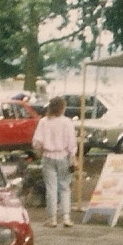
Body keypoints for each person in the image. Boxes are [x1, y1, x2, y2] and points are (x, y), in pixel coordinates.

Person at [32, 96, 78, 228]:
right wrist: (73, 156)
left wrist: (40, 149)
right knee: (65, 187)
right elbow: (71, 142)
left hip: (48, 157)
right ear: (62, 108)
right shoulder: (67, 122)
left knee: (51, 188)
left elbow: (37, 141)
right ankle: (66, 217)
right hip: (63, 156)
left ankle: (52, 218)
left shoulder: (44, 122)